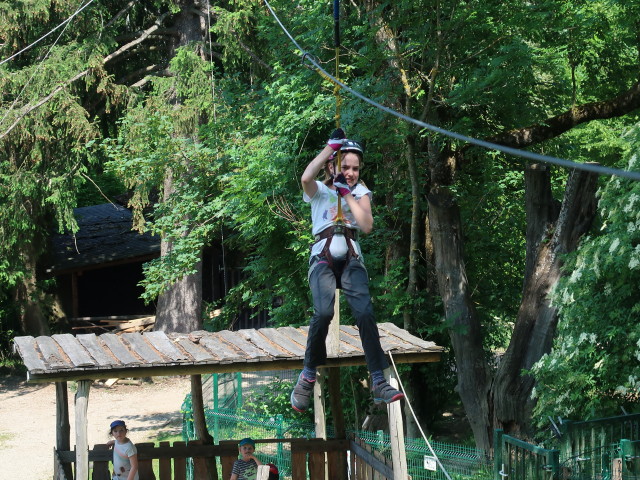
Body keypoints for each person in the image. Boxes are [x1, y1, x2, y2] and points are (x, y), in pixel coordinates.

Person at [290, 127, 405, 413]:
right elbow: (305, 177)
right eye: (345, 167)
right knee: (323, 313)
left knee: (365, 312)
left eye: (355, 168)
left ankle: (378, 380)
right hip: (323, 256)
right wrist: (330, 148)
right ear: (333, 165)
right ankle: (307, 374)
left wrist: (348, 194)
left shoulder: (361, 191)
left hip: (352, 256)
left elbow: (366, 225)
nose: (351, 173)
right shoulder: (318, 191)